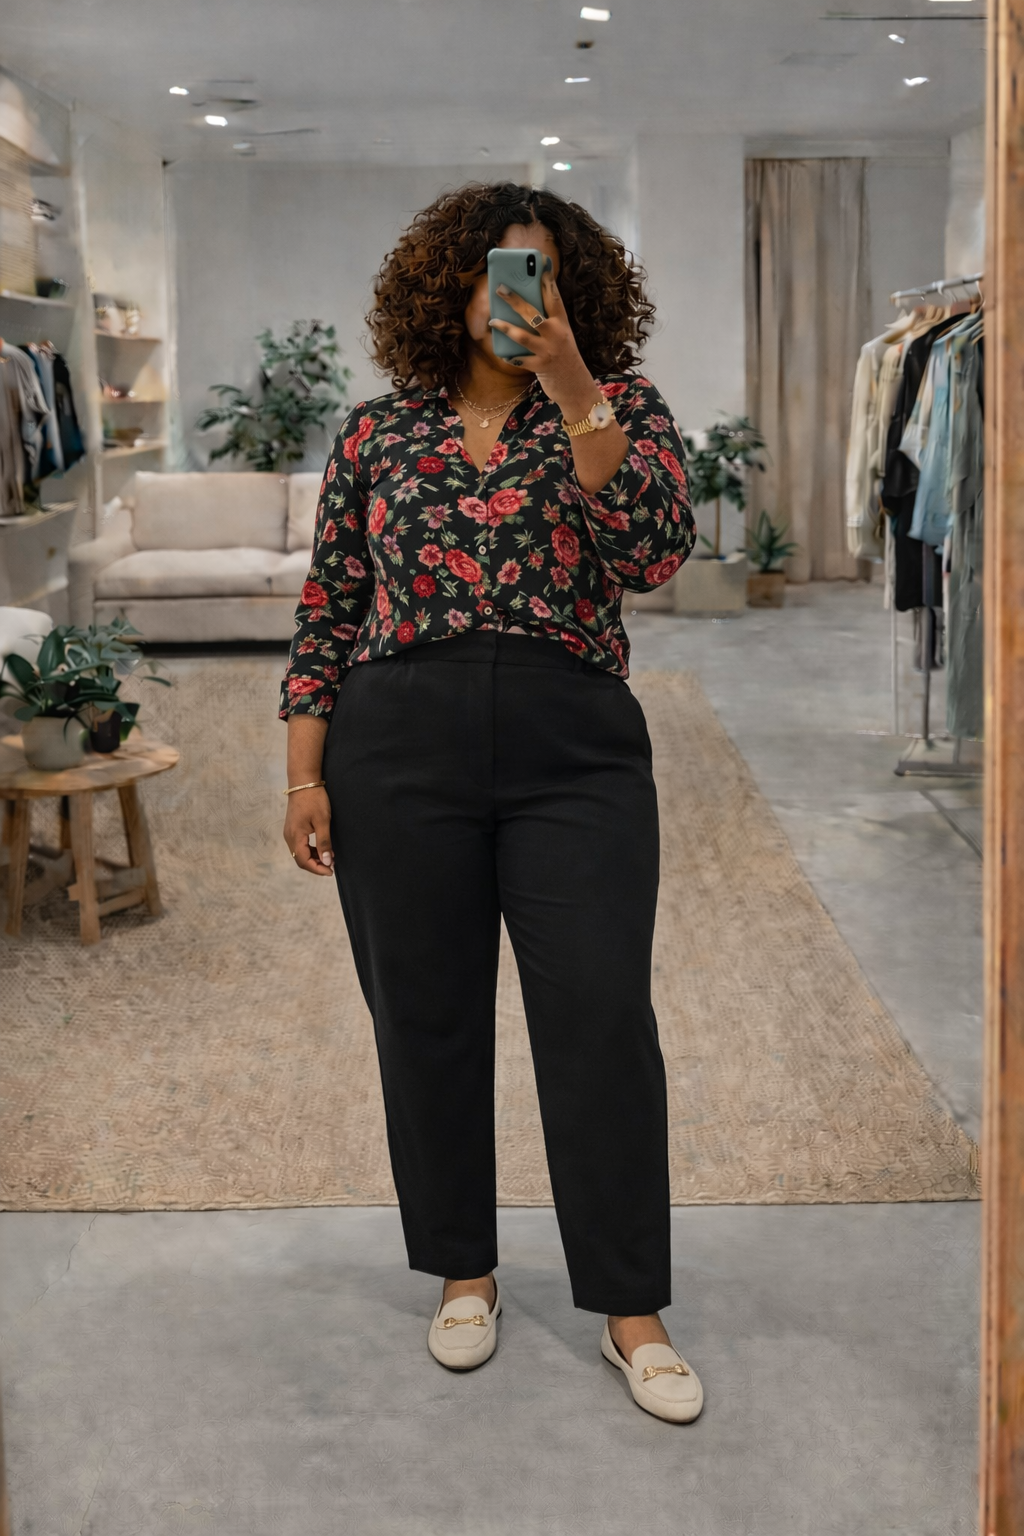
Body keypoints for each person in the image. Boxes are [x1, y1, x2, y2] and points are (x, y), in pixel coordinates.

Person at [280, 182, 701, 1423]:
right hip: (395, 744)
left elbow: (656, 558)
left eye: (544, 277)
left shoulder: (621, 414)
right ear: (446, 287)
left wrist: (580, 394)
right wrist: (303, 772)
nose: (517, 298)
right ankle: (465, 1270)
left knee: (600, 1020)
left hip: (574, 748)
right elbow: (328, 608)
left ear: (576, 296)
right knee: (427, 1022)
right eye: (495, 274)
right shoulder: (376, 435)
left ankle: (631, 1305)